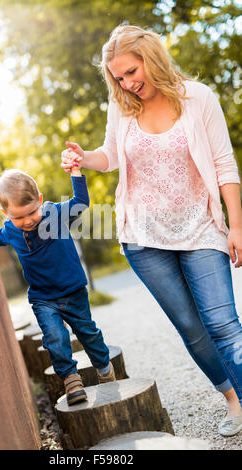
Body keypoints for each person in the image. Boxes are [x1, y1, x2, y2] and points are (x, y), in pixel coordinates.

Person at [61, 24, 242, 435]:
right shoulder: (122, 106)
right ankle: (233, 401)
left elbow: (224, 164)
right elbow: (109, 155)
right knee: (192, 329)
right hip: (144, 236)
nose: (126, 82)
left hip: (201, 227)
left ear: (151, 58)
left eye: (130, 71)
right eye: (118, 77)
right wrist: (83, 158)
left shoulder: (198, 98)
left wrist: (236, 225)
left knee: (223, 323)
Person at [0, 158, 115, 406]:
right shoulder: (10, 231)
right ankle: (71, 380)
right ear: (5, 214)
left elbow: (80, 203)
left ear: (40, 200)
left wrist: (76, 173)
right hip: (43, 298)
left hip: (73, 291)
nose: (28, 220)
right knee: (55, 338)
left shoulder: (54, 213)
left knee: (88, 332)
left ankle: (104, 368)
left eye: (33, 212)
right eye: (18, 217)